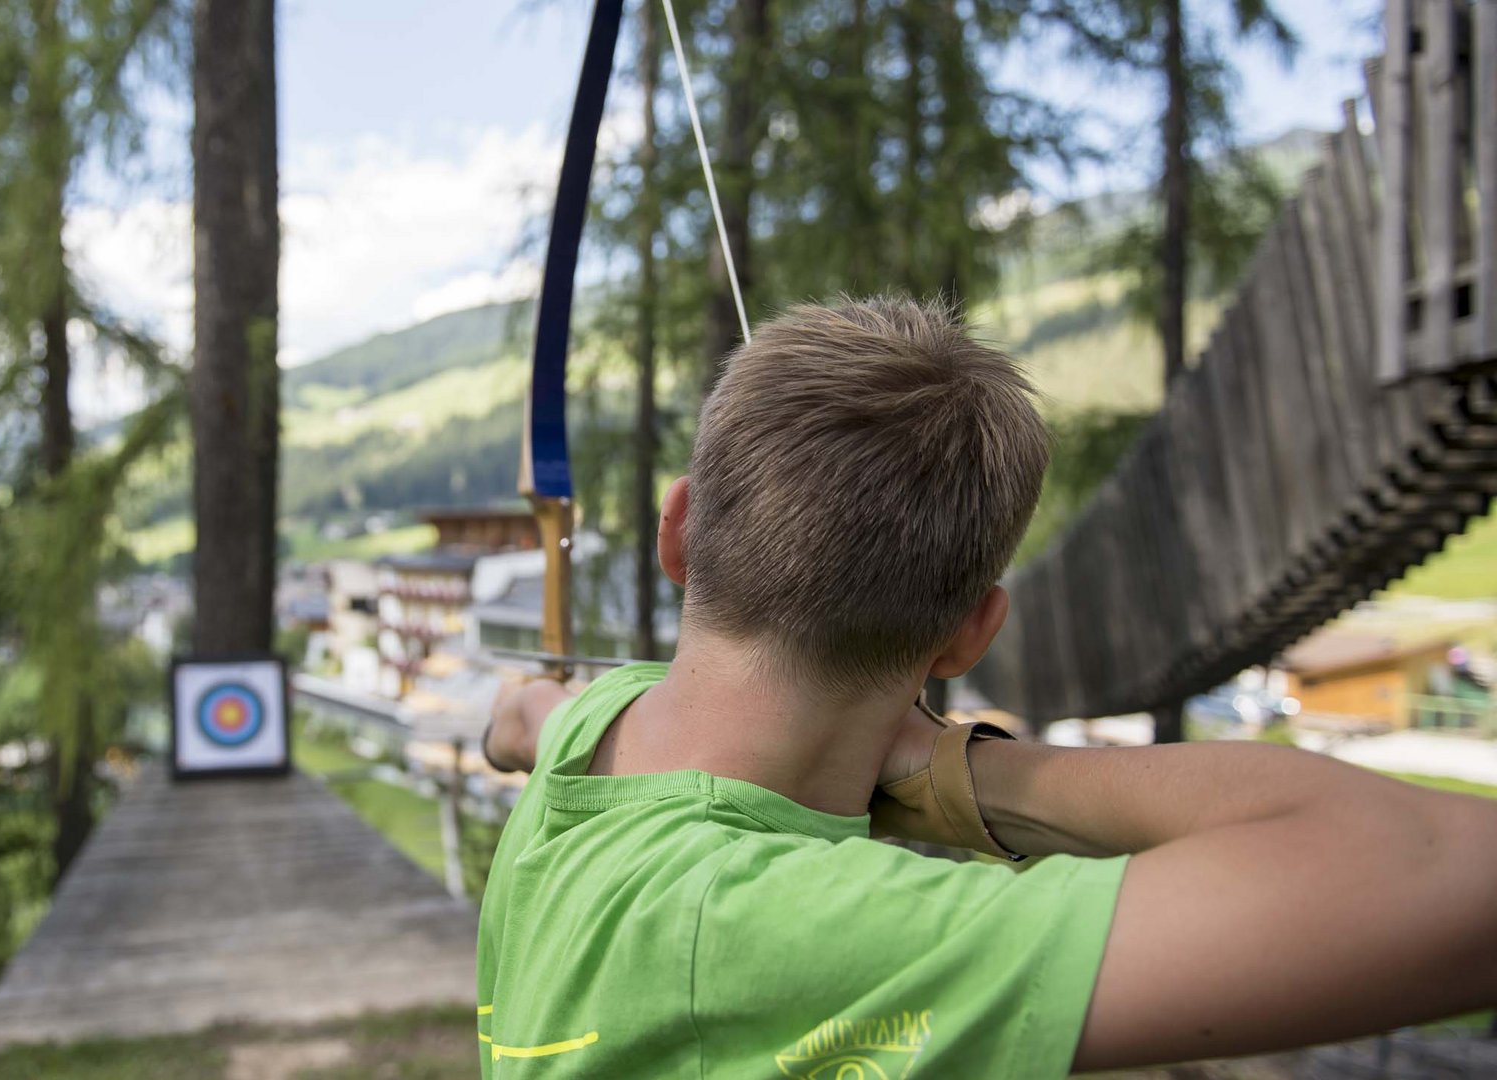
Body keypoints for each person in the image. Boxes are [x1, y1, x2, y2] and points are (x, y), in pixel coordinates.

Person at [475, 297, 1497, 1078]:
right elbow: (1440, 869)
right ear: (971, 633)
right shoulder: (788, 928)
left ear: (679, 531)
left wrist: (523, 719)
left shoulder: (595, 728)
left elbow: (520, 716)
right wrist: (958, 772)